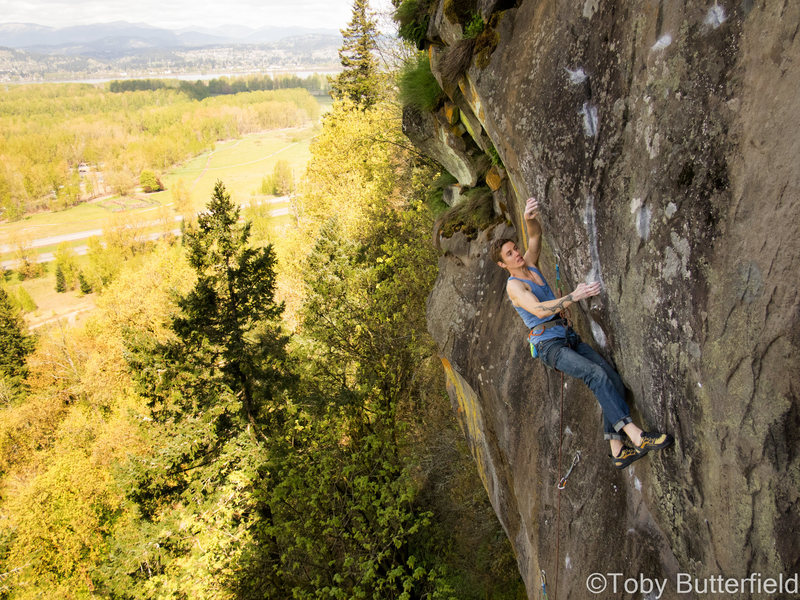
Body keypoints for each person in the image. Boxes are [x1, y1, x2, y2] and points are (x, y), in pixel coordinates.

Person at [490, 197, 674, 468]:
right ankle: (636, 436)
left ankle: (617, 450)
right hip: (549, 347)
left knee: (612, 378)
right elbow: (539, 310)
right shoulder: (514, 287)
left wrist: (529, 217)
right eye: (509, 254)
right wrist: (573, 297)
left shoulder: (529, 264)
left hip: (566, 336)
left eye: (514, 248)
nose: (516, 253)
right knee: (595, 374)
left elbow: (535, 235)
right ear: (502, 265)